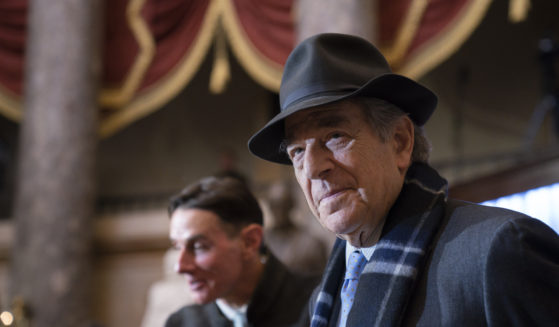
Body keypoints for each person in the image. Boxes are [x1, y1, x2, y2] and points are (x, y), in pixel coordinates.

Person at [248, 33, 559, 326]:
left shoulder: (499, 253)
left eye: (335, 135)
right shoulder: (324, 297)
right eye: (298, 151)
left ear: (399, 141)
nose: (313, 168)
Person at [164, 176, 319, 327]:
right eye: (178, 247)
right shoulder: (180, 323)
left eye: (199, 247)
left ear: (250, 241)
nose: (180, 267)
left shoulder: (320, 304)